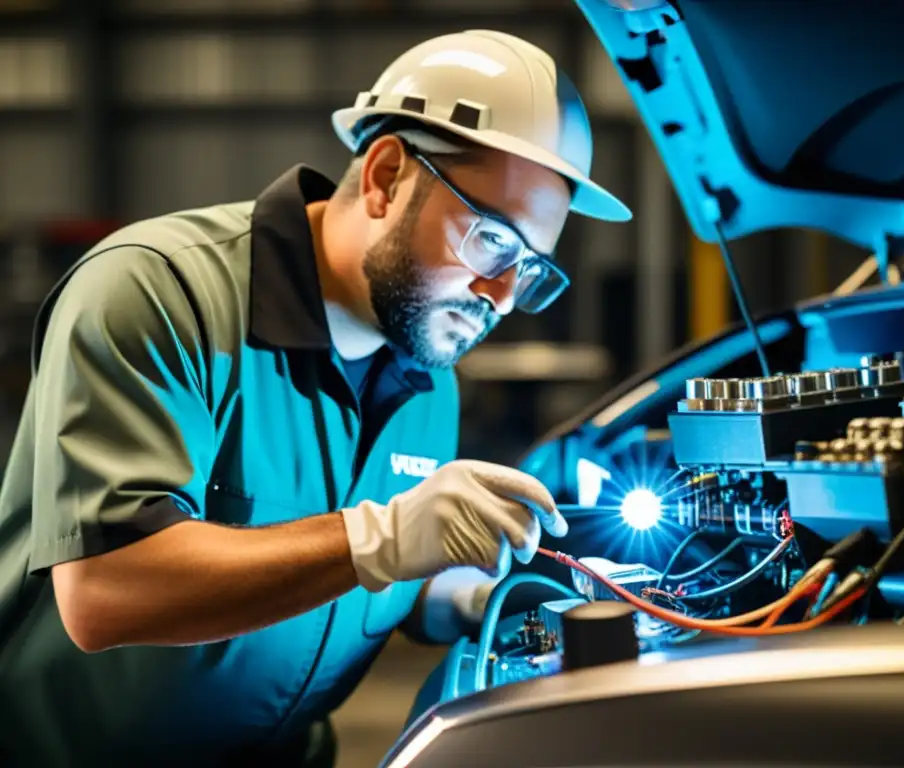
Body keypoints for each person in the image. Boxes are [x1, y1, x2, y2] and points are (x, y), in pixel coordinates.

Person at [0, 29, 630, 768]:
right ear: (387, 175)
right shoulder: (157, 293)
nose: (500, 296)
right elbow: (107, 591)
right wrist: (383, 539)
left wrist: (459, 591)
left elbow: (350, 580)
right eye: (493, 241)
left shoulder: (429, 373)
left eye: (529, 270)